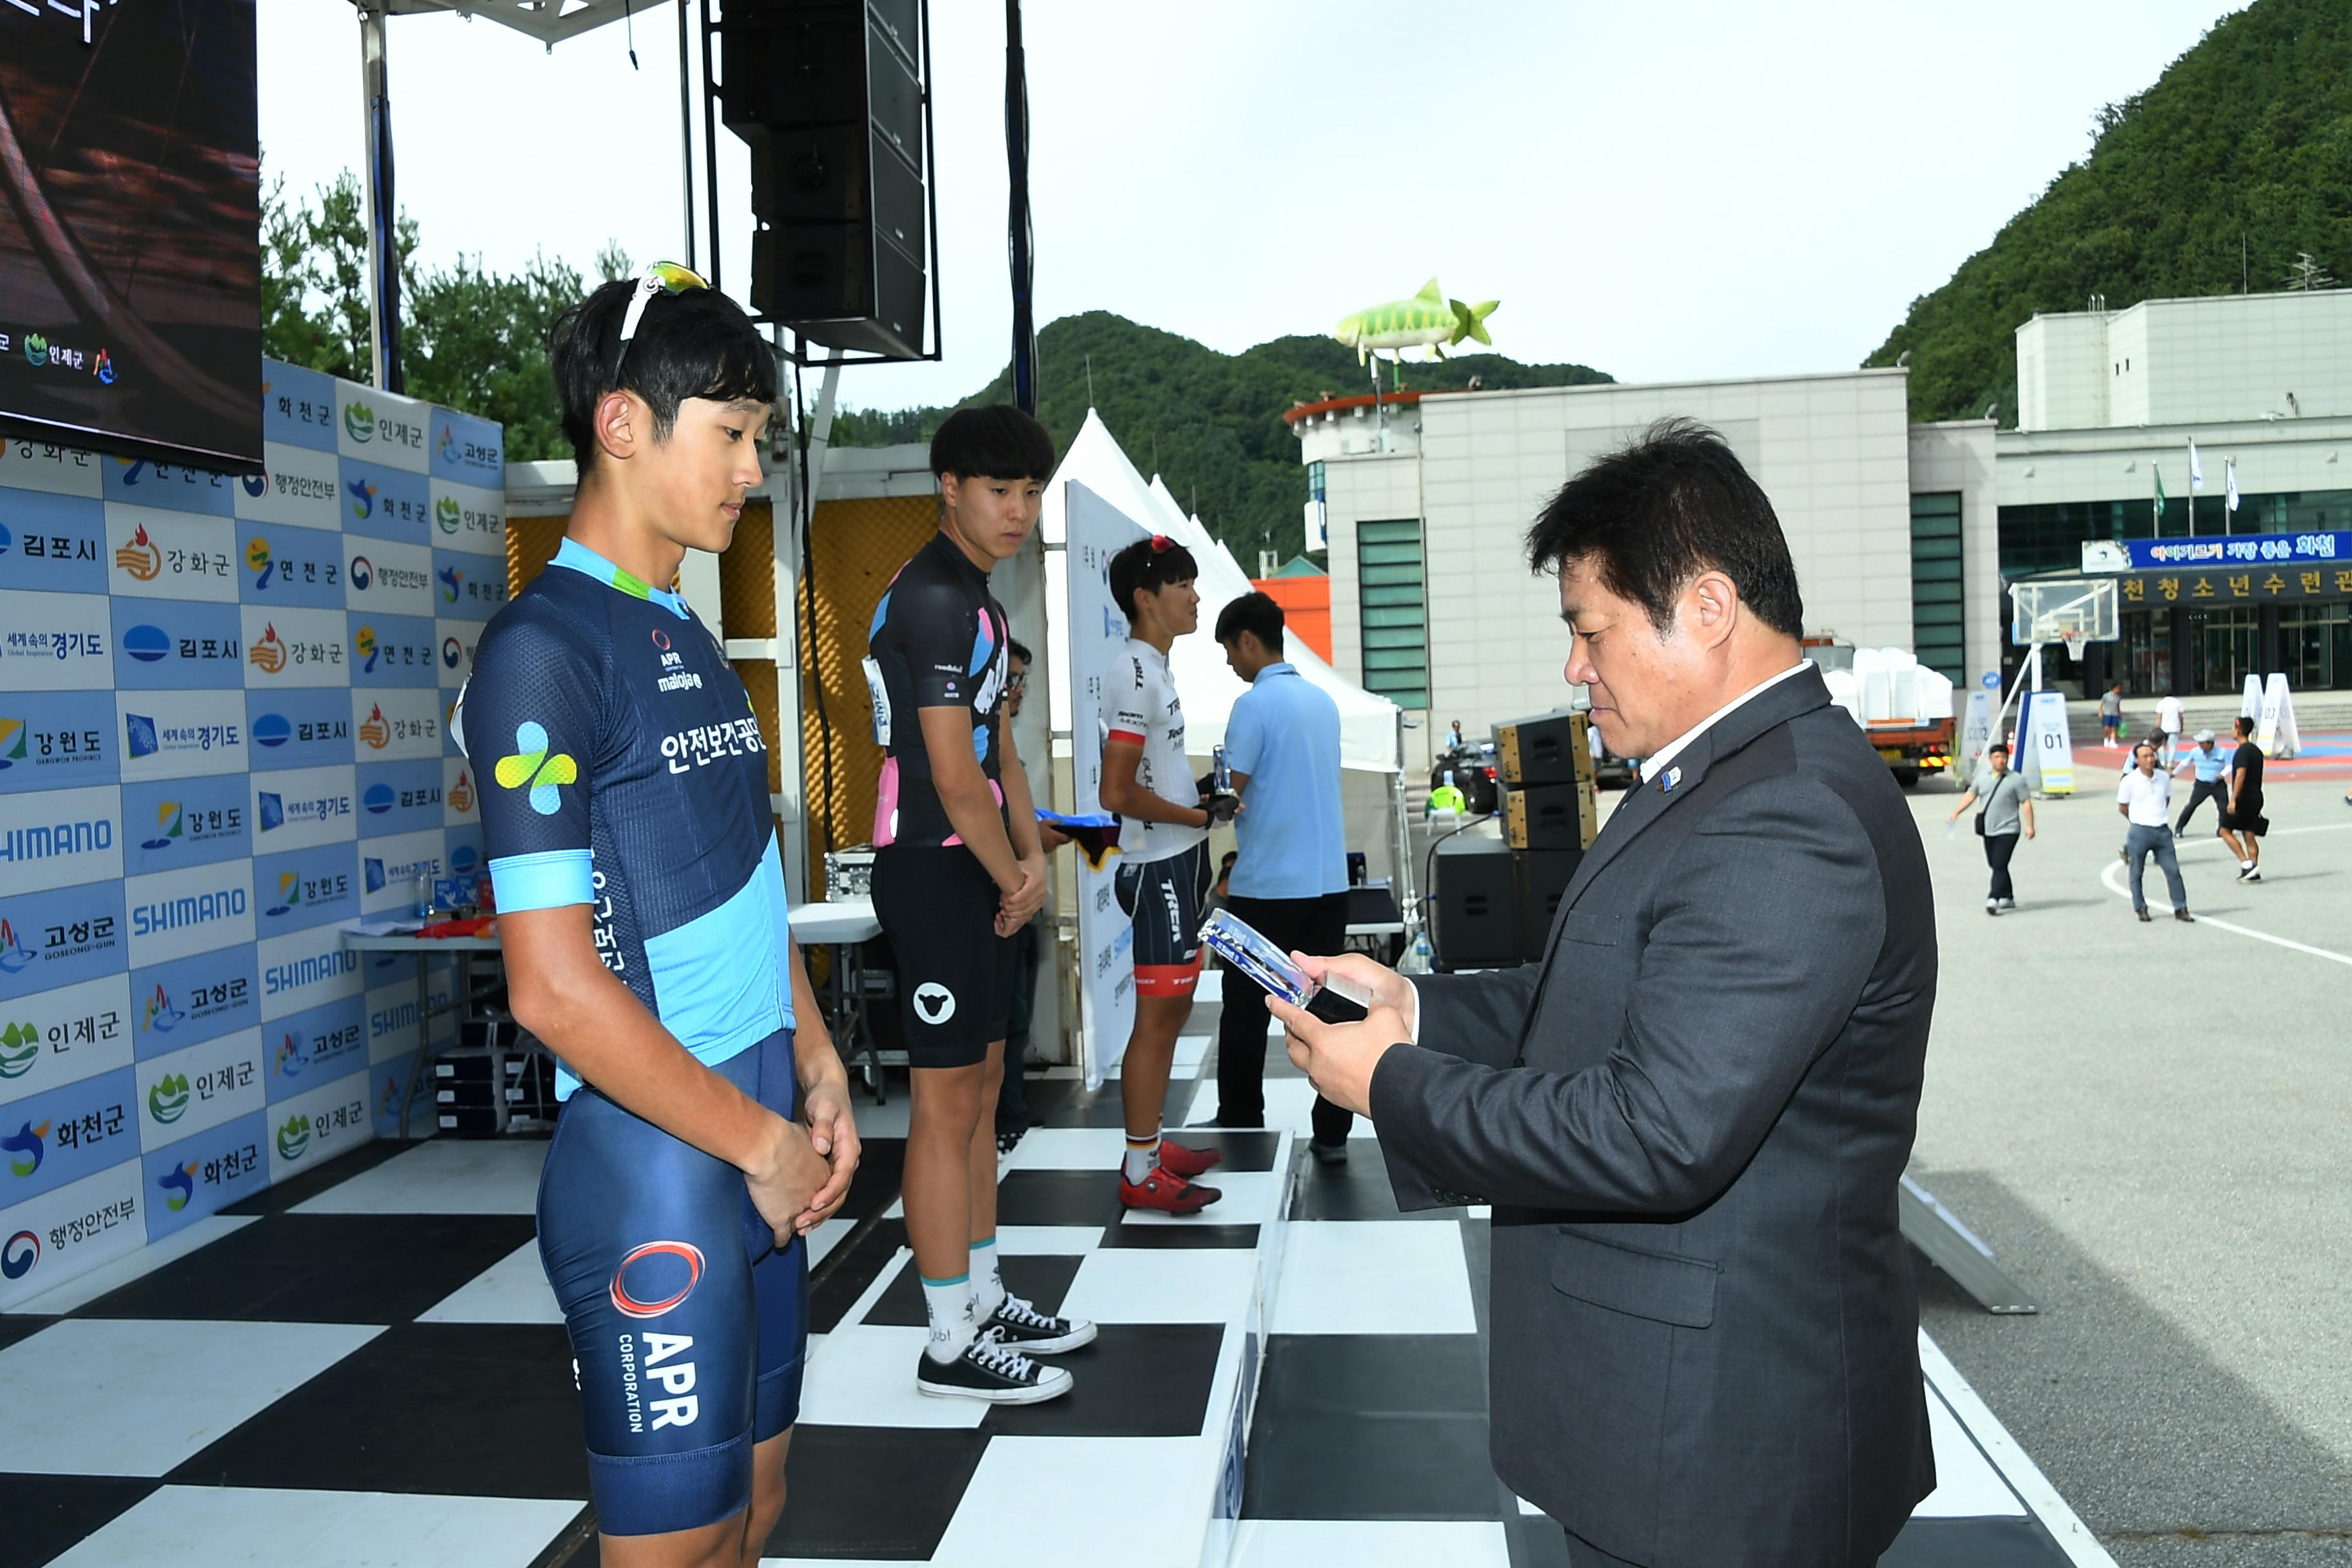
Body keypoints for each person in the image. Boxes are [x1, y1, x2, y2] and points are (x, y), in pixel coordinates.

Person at [1271, 419, 1936, 1567]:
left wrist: (1390, 1082)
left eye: (1591, 630)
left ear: (1708, 607)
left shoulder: (1785, 815)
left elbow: (1656, 1128)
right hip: (1679, 1415)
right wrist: (1414, 1007)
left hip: (1723, 1439)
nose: (1575, 666)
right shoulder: (1719, 771)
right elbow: (1599, 995)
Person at [457, 265, 859, 1567]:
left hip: (752, 1137)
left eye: (759, 438)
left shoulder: (680, 626)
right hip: (659, 1173)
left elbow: (739, 870)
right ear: (624, 425)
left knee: (757, 1515)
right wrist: (757, 1142)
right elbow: (552, 992)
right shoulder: (541, 651)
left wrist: (814, 1056)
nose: (752, 468)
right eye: (733, 434)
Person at [867, 406, 1092, 1404]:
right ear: (948, 486)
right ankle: (947, 1339)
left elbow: (1003, 748)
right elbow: (955, 779)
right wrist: (1015, 874)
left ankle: (984, 1293)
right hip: (934, 865)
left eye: (1031, 492)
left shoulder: (983, 602)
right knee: (943, 1105)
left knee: (987, 1094)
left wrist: (1030, 859)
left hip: (985, 866)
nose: (1017, 509)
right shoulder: (929, 600)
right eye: (999, 490)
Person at [1097, 534, 1228, 1215]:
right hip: (1159, 868)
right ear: (1146, 597)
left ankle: (1147, 1149)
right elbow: (1115, 792)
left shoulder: (1155, 665)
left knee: (1172, 1013)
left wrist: (1197, 806)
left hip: (1178, 858)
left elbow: (1153, 772)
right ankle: (1139, 1169)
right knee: (1156, 1021)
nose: (1196, 595)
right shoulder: (1134, 671)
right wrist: (1192, 814)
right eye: (1183, 583)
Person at [1203, 591, 1353, 1161]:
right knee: (1327, 1008)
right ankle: (1333, 1133)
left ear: (1247, 640)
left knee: (1243, 1008)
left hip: (1268, 886)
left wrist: (1199, 801)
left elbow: (1229, 792)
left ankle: (1242, 1121)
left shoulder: (1254, 706)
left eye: (1228, 651)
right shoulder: (1322, 701)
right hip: (1328, 882)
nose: (1229, 664)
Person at [993, 638, 1050, 1155]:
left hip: (1020, 897)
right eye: (1008, 680)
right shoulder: (973, 744)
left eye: (1021, 682)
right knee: (1001, 1025)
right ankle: (1004, 1119)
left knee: (1015, 1022)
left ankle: (1011, 1114)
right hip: (993, 904)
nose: (1016, 692)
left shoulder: (1007, 745)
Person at [1946, 740, 2034, 914]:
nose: (2001, 761)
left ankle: (1993, 898)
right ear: (1990, 759)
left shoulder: (2016, 780)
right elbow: (1971, 796)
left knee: (2000, 864)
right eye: (1997, 757)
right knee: (1995, 864)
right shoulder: (1982, 778)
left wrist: (2030, 826)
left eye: (2004, 757)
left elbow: (2026, 803)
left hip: (2009, 829)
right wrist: (1956, 812)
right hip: (1988, 829)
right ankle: (2007, 896)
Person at [2119, 741, 2195, 923]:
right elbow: (2122, 807)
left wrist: (2157, 815)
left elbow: (2166, 799)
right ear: (2136, 760)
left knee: (2173, 870)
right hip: (2140, 831)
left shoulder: (2163, 777)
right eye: (2145, 756)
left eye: (2152, 755)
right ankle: (2141, 907)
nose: (2150, 759)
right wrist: (2137, 820)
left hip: (2162, 831)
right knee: (2137, 872)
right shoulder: (2129, 781)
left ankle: (2180, 907)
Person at [2218, 714, 2267, 883]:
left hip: (2244, 798)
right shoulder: (2256, 750)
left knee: (2225, 830)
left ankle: (2247, 864)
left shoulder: (2242, 752)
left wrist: (2233, 799)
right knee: (2249, 832)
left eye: (2233, 727)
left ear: (2239, 730)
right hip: (2257, 796)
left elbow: (2240, 775)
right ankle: (2254, 867)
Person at [2170, 729, 2230, 837]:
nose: (2200, 745)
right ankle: (2179, 828)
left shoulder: (2222, 752)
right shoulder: (2195, 752)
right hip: (2202, 784)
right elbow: (2185, 763)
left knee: (2223, 807)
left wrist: (2223, 773)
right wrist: (2174, 773)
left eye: (2202, 743)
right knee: (2191, 805)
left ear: (2210, 743)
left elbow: (2231, 765)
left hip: (2218, 784)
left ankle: (2222, 829)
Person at [2155, 689, 2186, 769]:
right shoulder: (2178, 702)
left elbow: (2159, 717)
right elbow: (2181, 717)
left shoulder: (2161, 703)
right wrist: (2182, 727)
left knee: (2161, 746)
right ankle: (2170, 763)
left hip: (2164, 728)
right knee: (2172, 746)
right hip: (2175, 727)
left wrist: (2157, 727)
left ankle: (2162, 761)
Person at [2099, 683, 2122, 747]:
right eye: (2118, 688)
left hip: (2115, 714)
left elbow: (2118, 706)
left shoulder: (2118, 697)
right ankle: (2106, 740)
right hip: (2107, 714)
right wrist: (2101, 712)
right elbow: (2101, 704)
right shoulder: (2106, 696)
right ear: (2114, 688)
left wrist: (2119, 713)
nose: (2119, 690)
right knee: (2107, 728)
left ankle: (2113, 741)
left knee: (2114, 728)